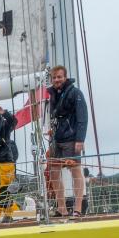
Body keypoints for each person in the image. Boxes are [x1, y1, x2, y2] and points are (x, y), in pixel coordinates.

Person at [46, 65, 88, 217]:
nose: (57, 80)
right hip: (56, 139)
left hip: (71, 138)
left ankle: (77, 208)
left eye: (59, 77)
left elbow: (82, 117)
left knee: (75, 170)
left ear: (65, 77)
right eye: (54, 77)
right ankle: (61, 208)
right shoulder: (50, 94)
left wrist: (80, 139)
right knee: (54, 172)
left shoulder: (75, 93)